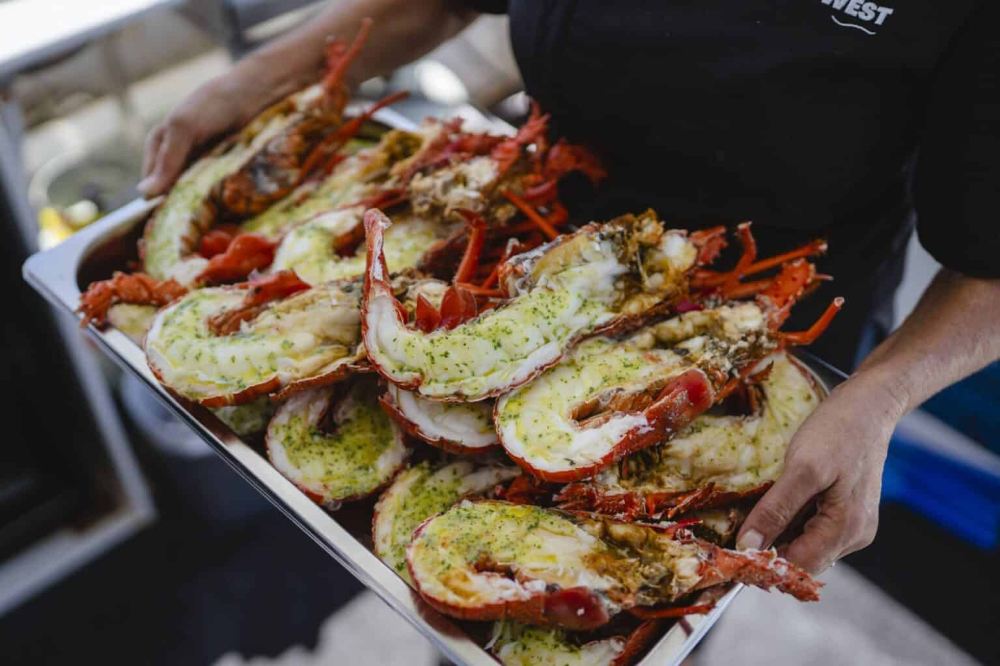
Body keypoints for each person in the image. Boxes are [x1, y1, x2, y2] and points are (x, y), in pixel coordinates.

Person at [138, 0, 1000, 573]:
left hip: (767, 311)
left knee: (645, 562)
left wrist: (881, 399)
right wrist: (263, 76)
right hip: (531, 232)